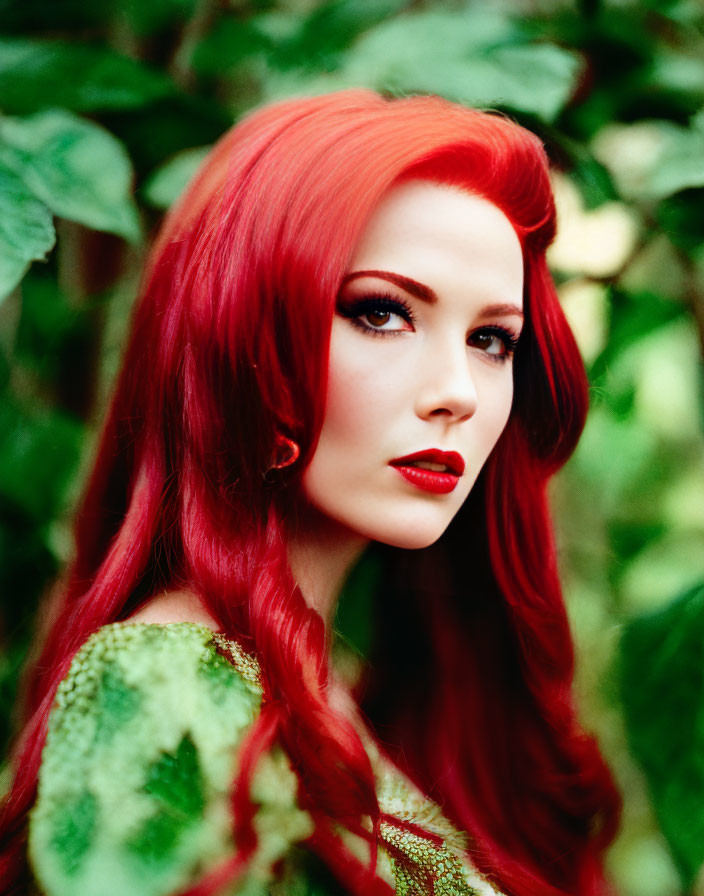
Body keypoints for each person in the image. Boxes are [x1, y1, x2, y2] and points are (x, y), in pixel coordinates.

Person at [0, 89, 621, 896]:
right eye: (383, 312)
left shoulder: (330, 692)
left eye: (491, 339)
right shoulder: (165, 685)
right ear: (239, 324)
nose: (458, 391)